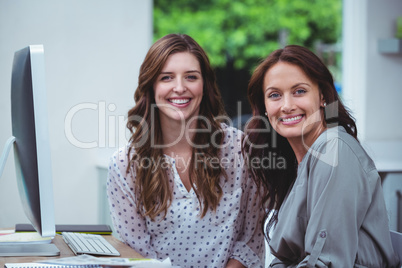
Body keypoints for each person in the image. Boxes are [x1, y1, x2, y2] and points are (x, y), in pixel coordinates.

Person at [106, 34, 265, 268]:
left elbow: (250, 241)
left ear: (205, 85)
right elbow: (138, 255)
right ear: (151, 86)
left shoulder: (239, 149)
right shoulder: (124, 165)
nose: (179, 88)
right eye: (166, 77)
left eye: (191, 77)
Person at [243, 45, 400, 267]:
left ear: (323, 97)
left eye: (299, 91)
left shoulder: (333, 150)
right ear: (265, 108)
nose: (287, 106)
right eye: (275, 95)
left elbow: (327, 263)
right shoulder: (299, 162)